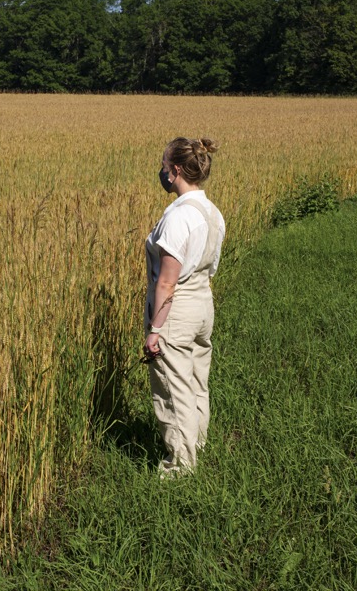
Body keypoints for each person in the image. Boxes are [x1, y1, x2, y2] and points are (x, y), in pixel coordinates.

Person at [144, 136, 226, 478]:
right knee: (195, 380)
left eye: (164, 166)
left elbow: (167, 281)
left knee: (173, 387)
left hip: (176, 310)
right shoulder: (212, 212)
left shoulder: (179, 217)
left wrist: (156, 330)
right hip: (202, 304)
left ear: (176, 170)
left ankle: (181, 467)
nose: (162, 172)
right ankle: (198, 444)